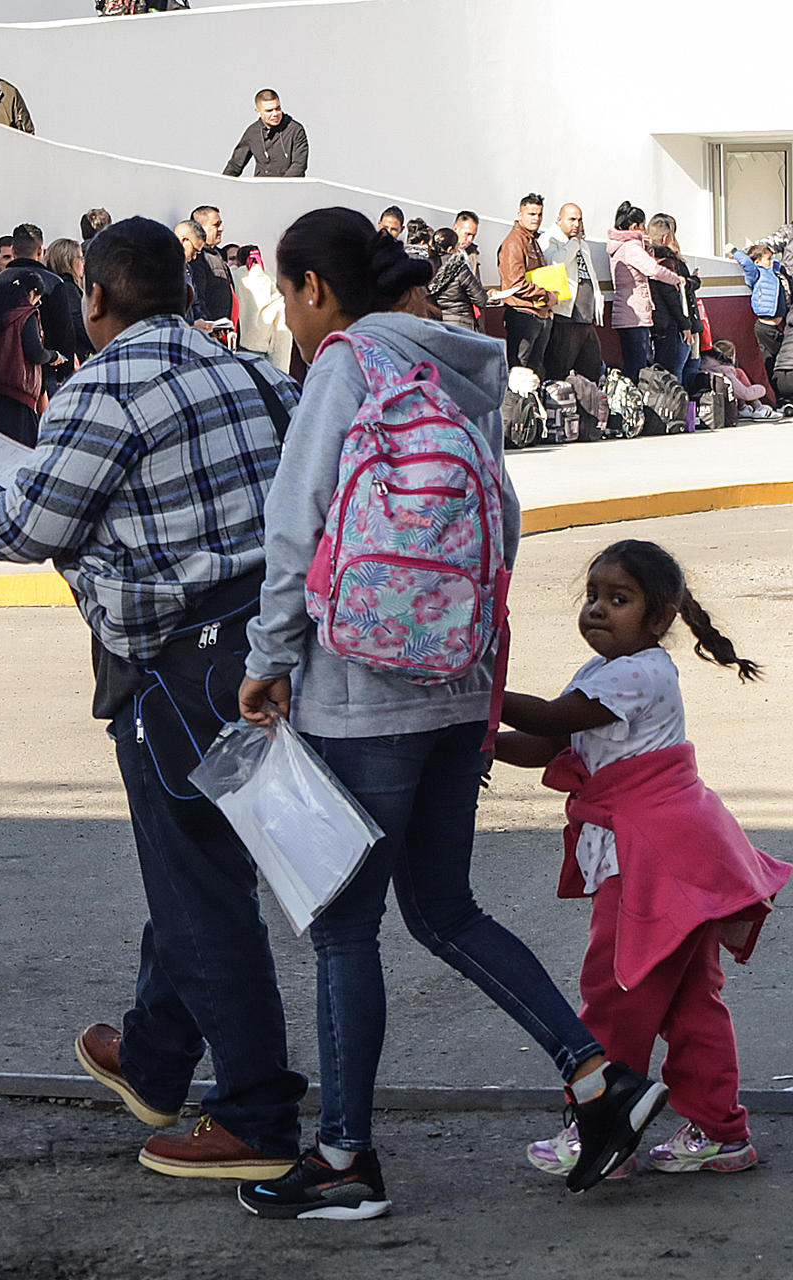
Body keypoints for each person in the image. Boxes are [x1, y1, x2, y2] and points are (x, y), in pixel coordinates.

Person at [233, 206, 668, 1220]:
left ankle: (343, 1160)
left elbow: (295, 527)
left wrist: (267, 659)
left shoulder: (345, 363)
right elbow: (504, 523)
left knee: (344, 928)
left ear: (314, 290)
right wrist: (456, 643)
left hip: (362, 690)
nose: (293, 318)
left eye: (293, 297)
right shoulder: (458, 369)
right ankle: (600, 1080)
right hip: (459, 681)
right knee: (442, 906)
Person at [0, 217, 307, 1183]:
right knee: (199, 865)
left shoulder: (98, 387)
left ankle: (257, 1117)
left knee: (200, 888)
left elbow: (31, 526)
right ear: (188, 296)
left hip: (180, 665)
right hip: (275, 648)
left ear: (97, 303)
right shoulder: (256, 376)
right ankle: (154, 1057)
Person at [494, 540, 787, 1180]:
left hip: (649, 861)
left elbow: (547, 717)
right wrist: (481, 739)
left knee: (616, 993)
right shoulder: (607, 672)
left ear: (658, 620)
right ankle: (720, 1132)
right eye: (593, 597)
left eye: (618, 600)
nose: (598, 610)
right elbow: (545, 741)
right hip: (676, 851)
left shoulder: (638, 672)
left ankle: (601, 1130)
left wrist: (476, 683)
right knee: (689, 1003)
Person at [0, 271, 58, 446]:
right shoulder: (26, 313)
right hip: (17, 396)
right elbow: (35, 352)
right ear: (32, 292)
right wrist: (54, 356)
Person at [0, 224, 73, 394]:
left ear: (13, 250)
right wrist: (64, 371)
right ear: (40, 251)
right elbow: (65, 333)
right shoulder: (54, 284)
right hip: (45, 373)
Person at [608, 203, 681, 379]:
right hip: (635, 316)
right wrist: (677, 279)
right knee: (637, 367)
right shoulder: (632, 248)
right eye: (642, 226)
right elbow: (653, 270)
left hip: (627, 314)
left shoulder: (620, 245)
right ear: (635, 226)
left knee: (633, 363)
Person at [541, 203, 608, 383]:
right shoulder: (550, 240)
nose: (576, 224)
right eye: (572, 219)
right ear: (559, 219)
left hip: (585, 317)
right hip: (565, 316)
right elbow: (555, 262)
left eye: (579, 220)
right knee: (560, 369)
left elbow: (591, 275)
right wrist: (573, 244)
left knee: (591, 370)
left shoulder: (581, 243)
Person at [497, 194, 552, 377]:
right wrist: (546, 295)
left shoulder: (531, 239)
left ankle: (530, 405)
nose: (536, 218)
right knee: (520, 372)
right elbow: (515, 283)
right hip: (522, 313)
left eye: (539, 214)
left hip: (538, 312)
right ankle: (517, 406)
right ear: (520, 214)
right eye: (531, 214)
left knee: (534, 371)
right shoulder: (514, 242)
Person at [645, 214, 700, 386]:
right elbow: (672, 295)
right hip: (673, 324)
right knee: (677, 370)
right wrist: (685, 325)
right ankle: (682, 409)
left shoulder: (646, 258)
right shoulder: (667, 262)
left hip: (656, 323)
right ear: (666, 237)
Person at [730, 242, 788, 380]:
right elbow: (747, 264)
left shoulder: (773, 272)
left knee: (779, 359)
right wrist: (734, 251)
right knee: (771, 361)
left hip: (776, 327)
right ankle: (777, 392)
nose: (771, 261)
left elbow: (776, 261)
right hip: (765, 327)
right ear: (757, 262)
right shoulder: (756, 274)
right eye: (767, 259)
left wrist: (770, 257)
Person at [231, 245, 293, 372]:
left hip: (237, 343)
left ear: (239, 260)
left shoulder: (234, 276)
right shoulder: (270, 281)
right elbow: (281, 321)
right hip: (263, 346)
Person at [223, 89, 308, 178]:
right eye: (269, 111)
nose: (275, 114)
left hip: (289, 188)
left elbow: (299, 165)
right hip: (261, 189)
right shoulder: (252, 132)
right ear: (258, 112)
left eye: (277, 108)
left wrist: (281, 187)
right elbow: (235, 165)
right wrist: (221, 186)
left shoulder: (295, 130)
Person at [425, 226, 486, 331]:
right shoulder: (460, 267)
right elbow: (481, 299)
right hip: (461, 325)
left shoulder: (427, 267)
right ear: (450, 249)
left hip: (436, 326)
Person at [44, 237, 94, 363]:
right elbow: (77, 322)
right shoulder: (67, 288)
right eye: (80, 257)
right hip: (71, 359)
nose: (84, 262)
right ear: (68, 261)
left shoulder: (49, 284)